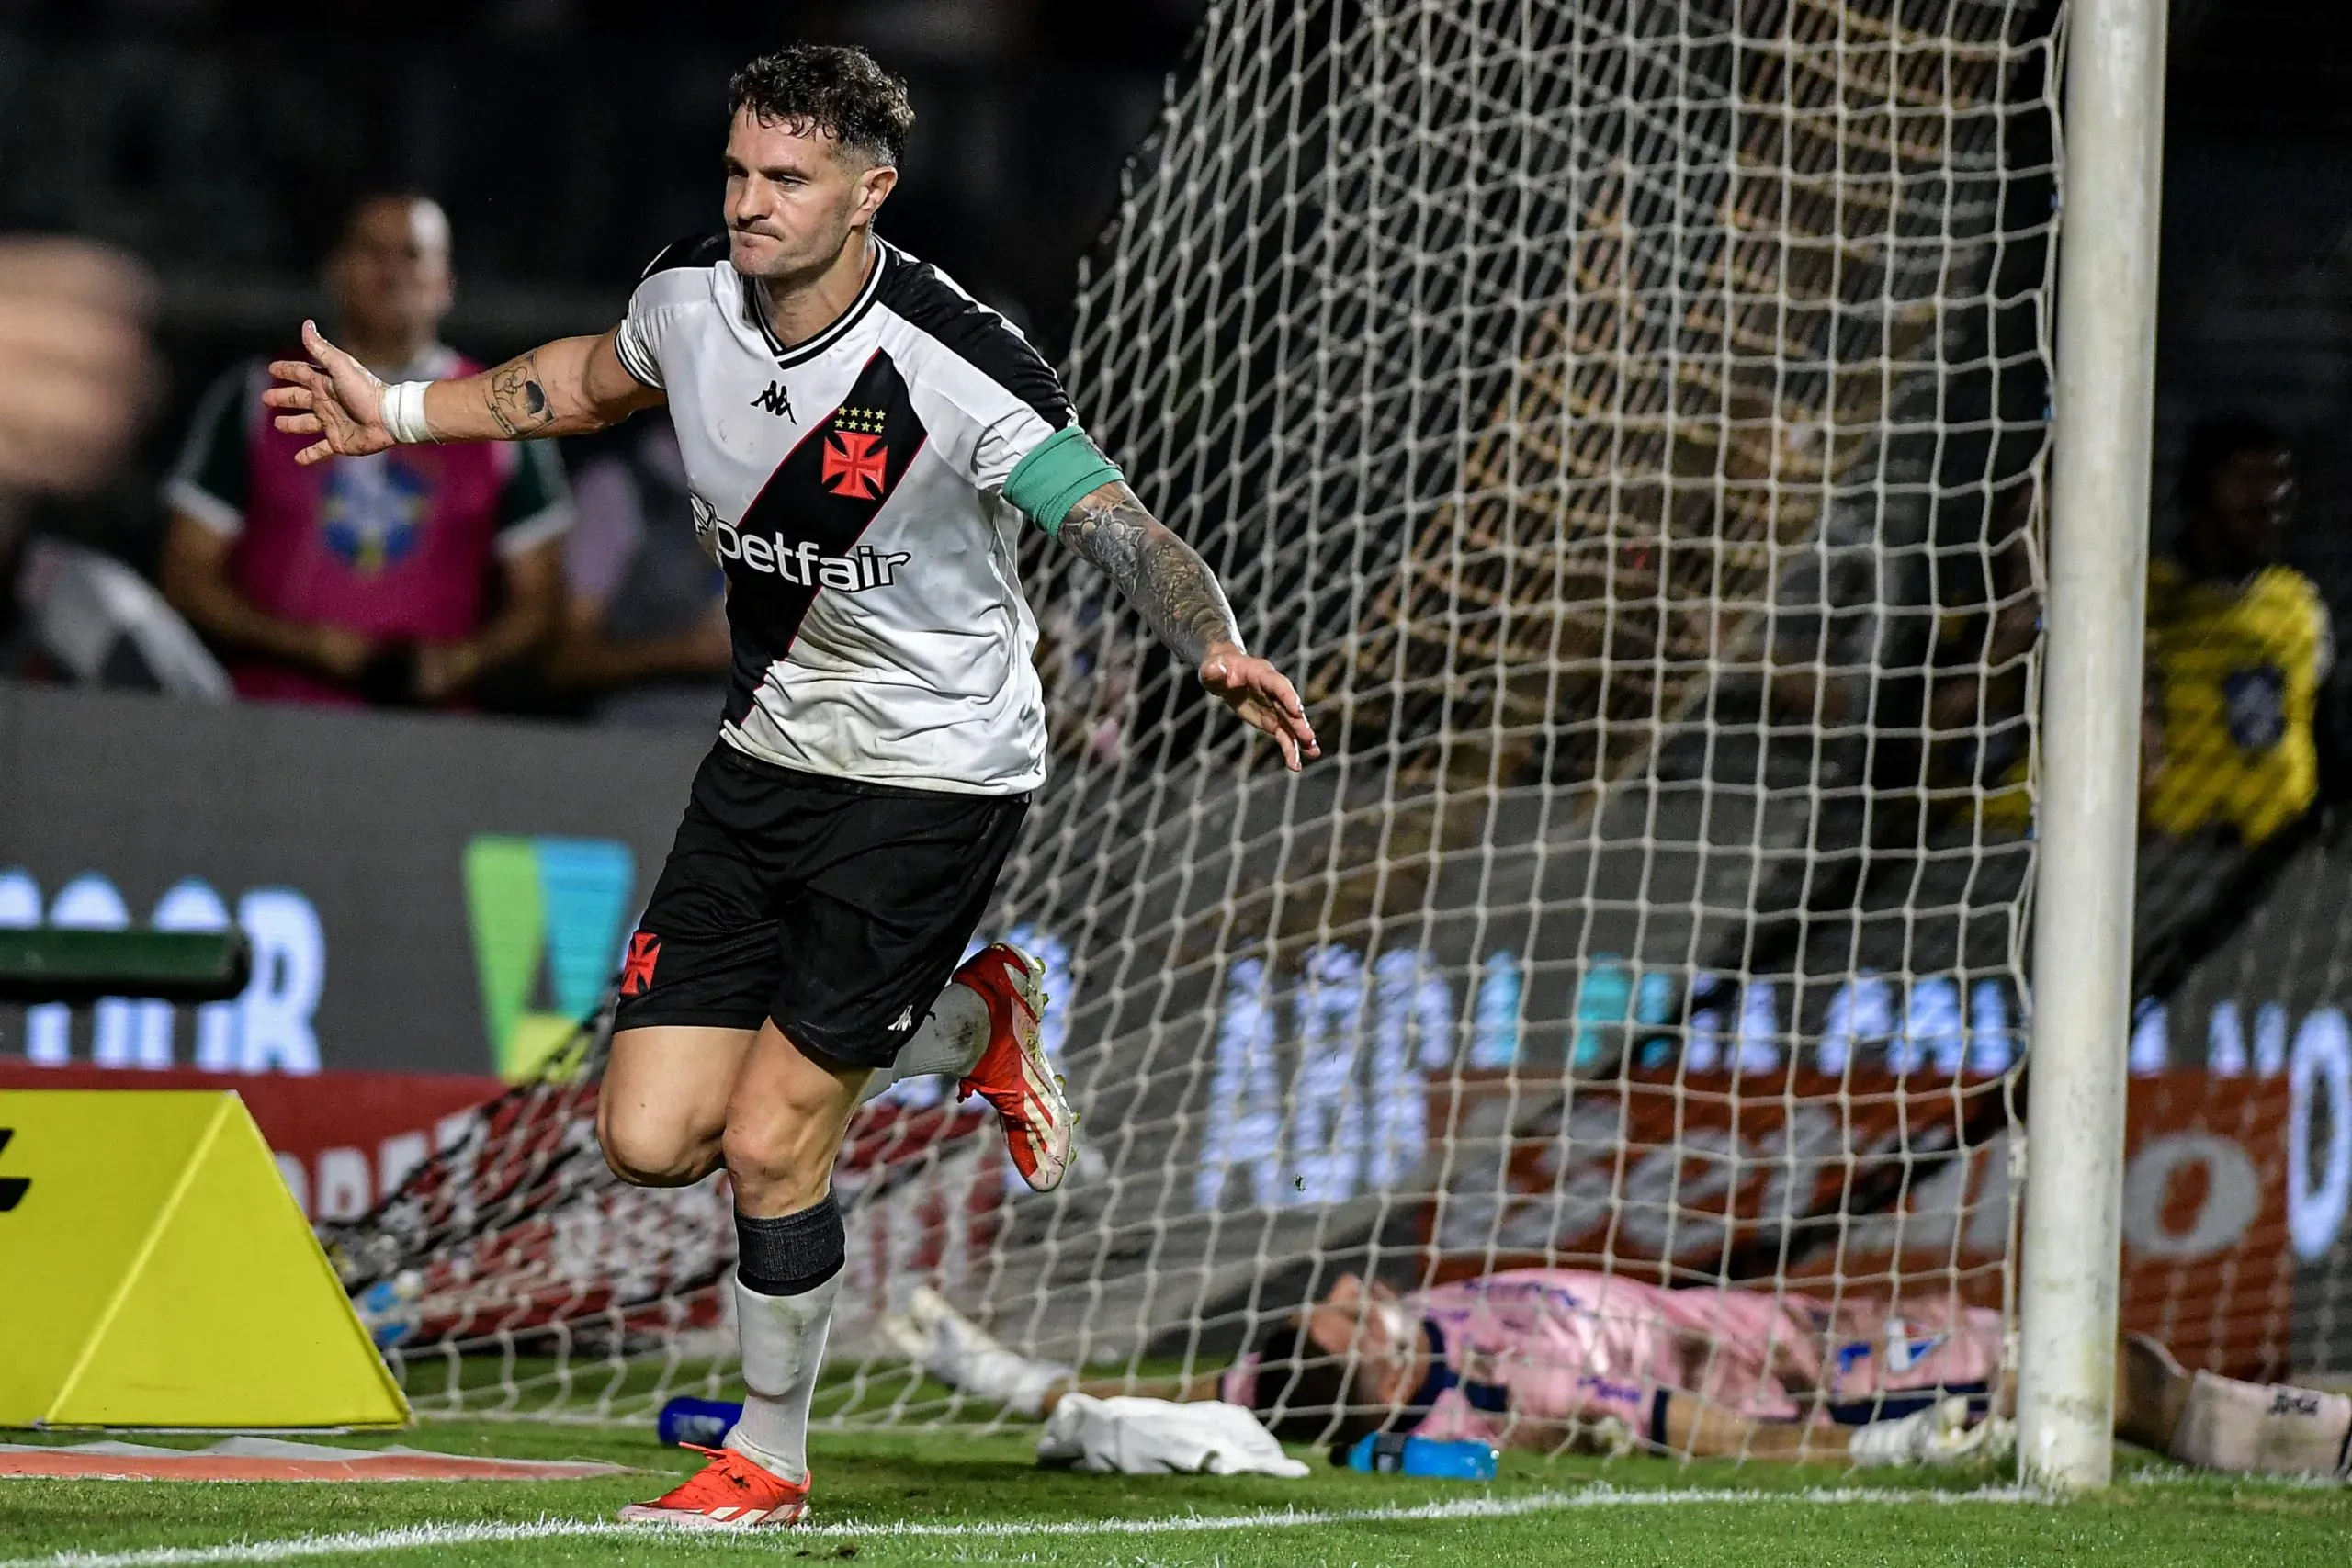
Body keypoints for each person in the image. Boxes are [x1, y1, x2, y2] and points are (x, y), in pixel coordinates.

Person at [262, 45, 1319, 1528]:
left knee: (771, 1140)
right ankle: (970, 1019)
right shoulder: (691, 292)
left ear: (869, 193)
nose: (749, 205)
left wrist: (1210, 641)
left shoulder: (954, 362)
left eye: (788, 180)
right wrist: (405, 410)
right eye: (739, 172)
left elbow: (1117, 521)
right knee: (647, 1136)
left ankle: (769, 1453)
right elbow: (581, 382)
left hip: (938, 772)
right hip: (766, 756)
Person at [892, 1269, 2352, 1480]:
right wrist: (1870, 1451)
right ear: (1369, 1372)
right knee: (2113, 1373)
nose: (1347, 1289)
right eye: (1344, 1312)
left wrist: (992, 1365)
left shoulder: (1304, 1358)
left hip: (1775, 1306)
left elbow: (1146, 1399)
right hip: (1812, 1377)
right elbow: (1681, 1425)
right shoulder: (1487, 1392)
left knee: (2119, 1361)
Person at [161, 194, 571, 708]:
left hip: (431, 742)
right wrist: (307, 646)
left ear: (446, 283)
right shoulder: (259, 397)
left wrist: (456, 663)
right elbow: (185, 573)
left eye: (412, 255)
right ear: (335, 271)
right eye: (372, 252)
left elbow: (543, 602)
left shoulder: (501, 412)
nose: (391, 272)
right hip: (267, 723)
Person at [2141, 416, 2330, 848]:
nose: (2266, 495)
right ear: (2199, 490)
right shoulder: (2145, 598)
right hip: (2172, 856)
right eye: (2244, 478)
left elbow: (2322, 725)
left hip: (2280, 856)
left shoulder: (2298, 600)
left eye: (2277, 478)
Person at [541, 415, 733, 727]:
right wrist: (684, 650)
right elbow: (567, 658)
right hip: (639, 739)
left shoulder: (782, 493)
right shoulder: (617, 487)